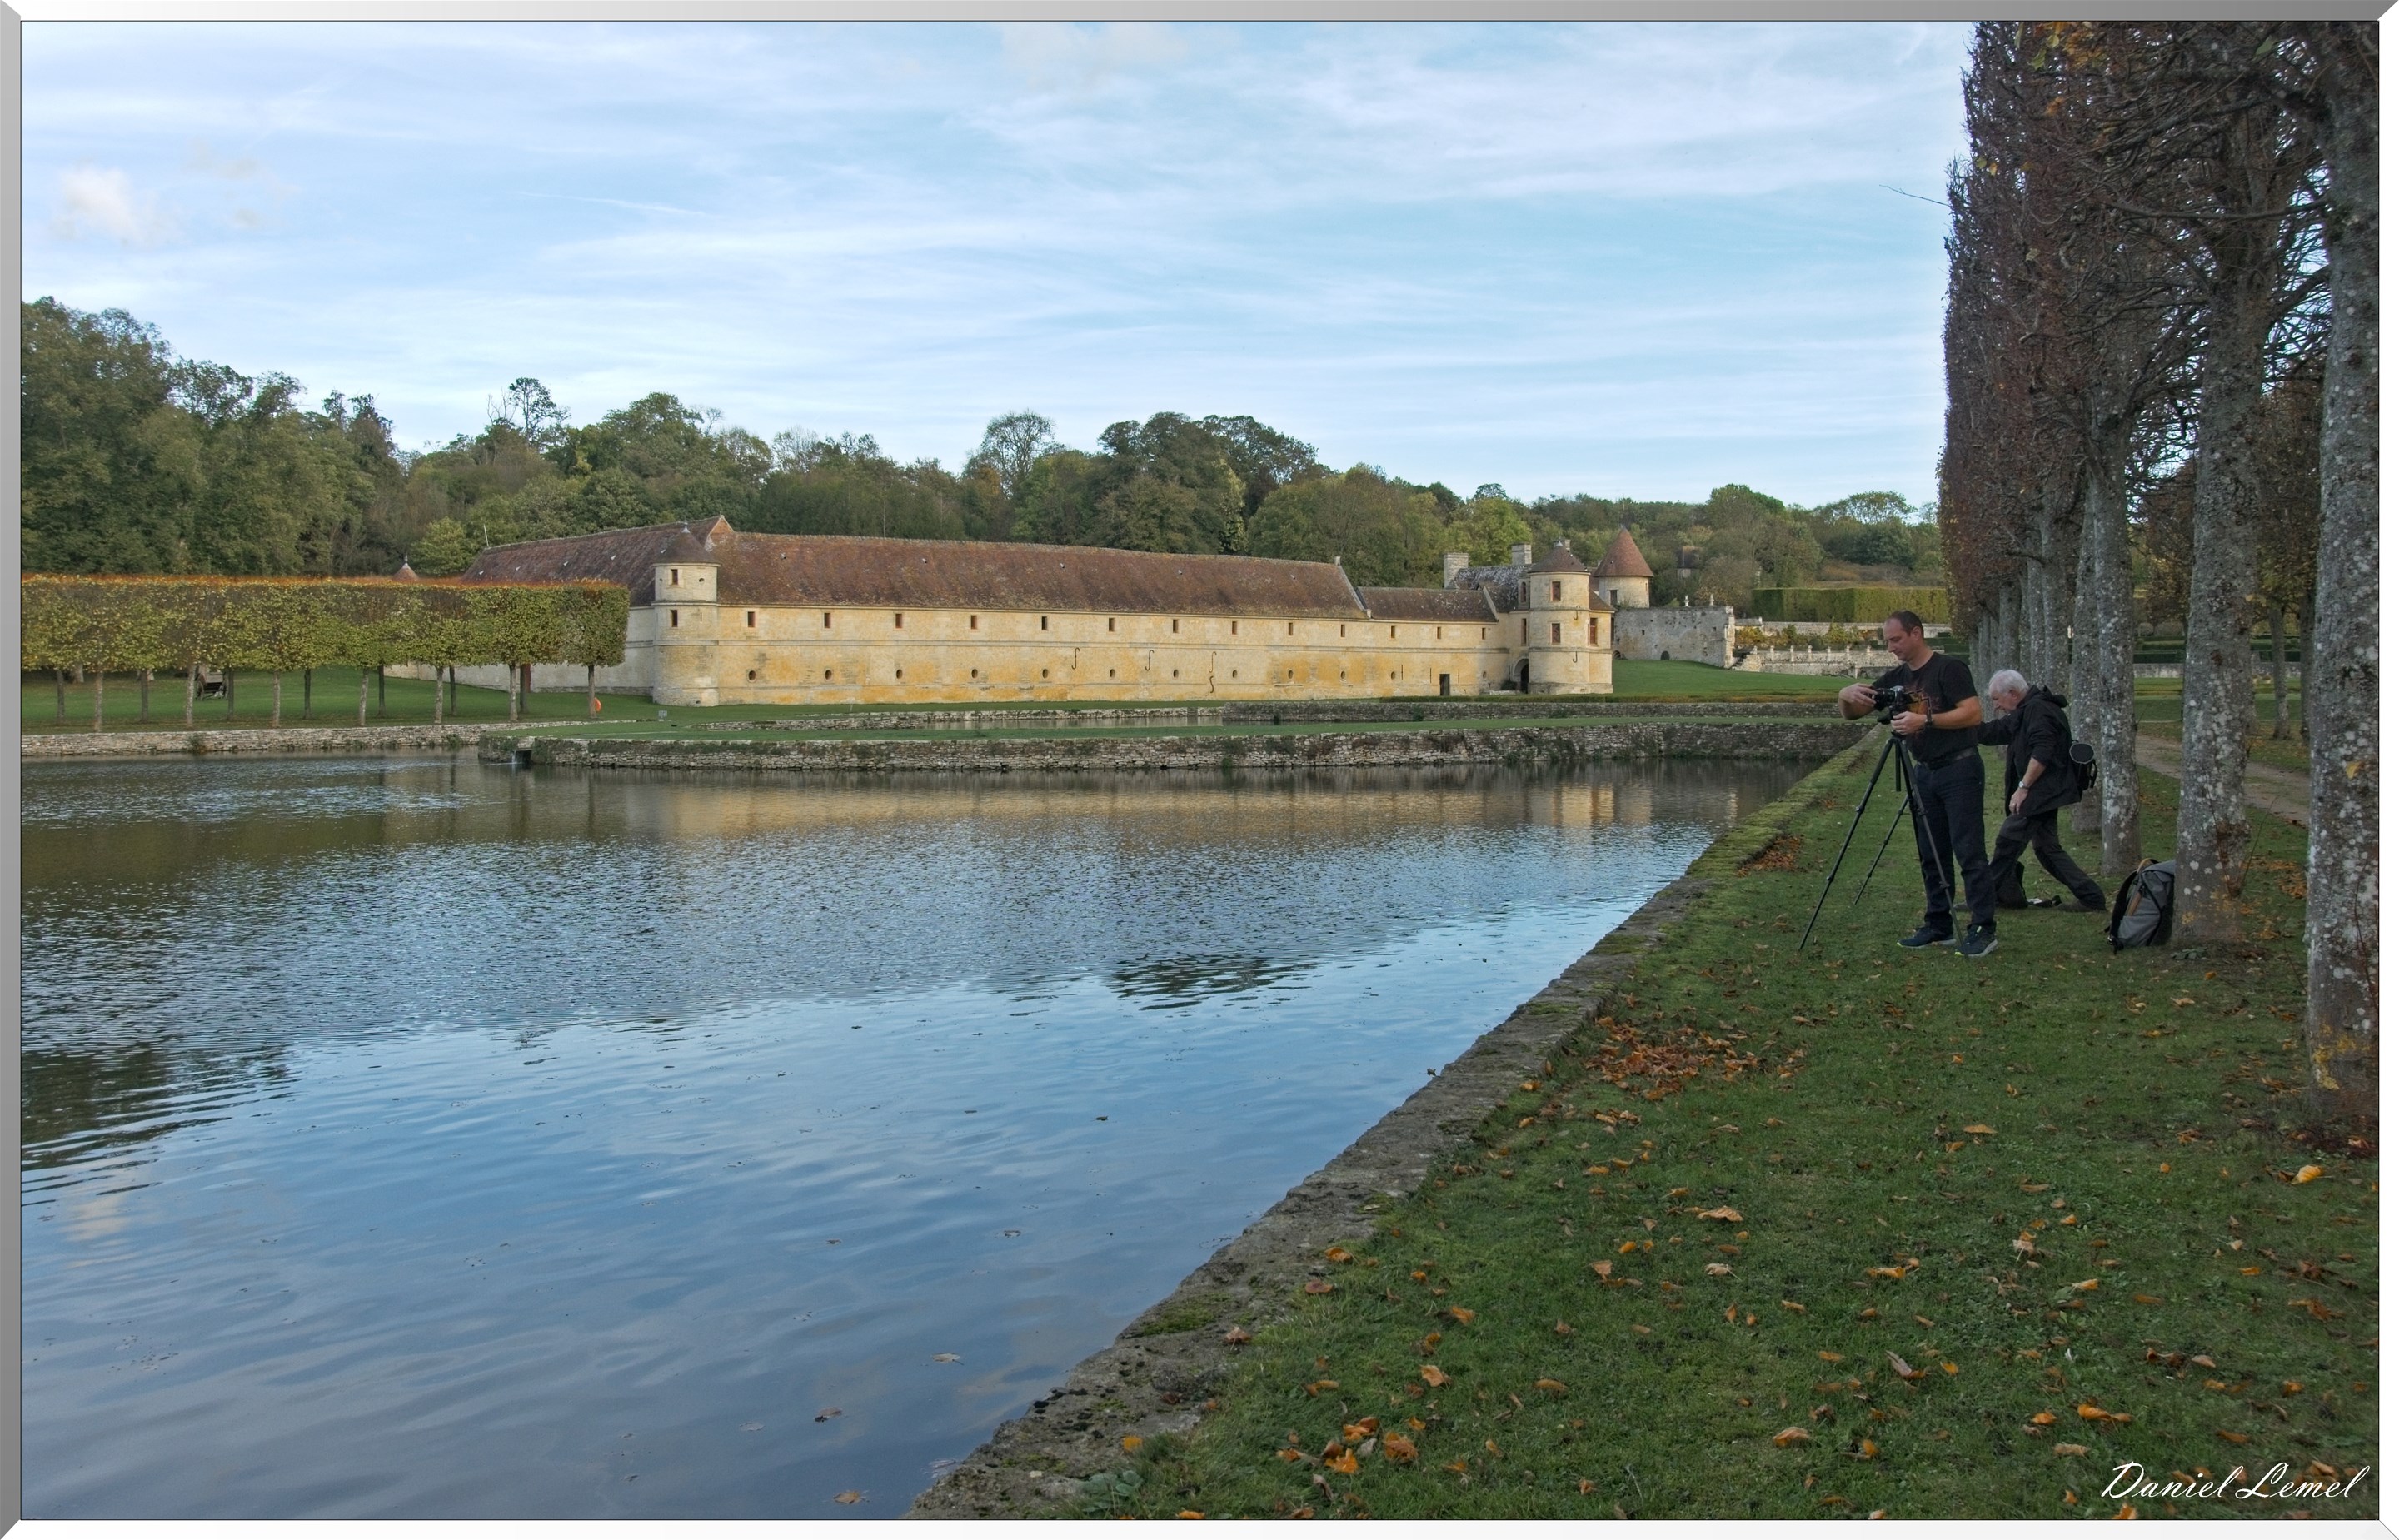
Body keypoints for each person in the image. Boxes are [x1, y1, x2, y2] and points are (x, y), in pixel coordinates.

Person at [1837, 611, 1996, 956]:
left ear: (1916, 633)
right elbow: (1851, 713)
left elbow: (1972, 713)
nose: (1890, 647)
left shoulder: (1949, 669)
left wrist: (1925, 721)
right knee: (1930, 852)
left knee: (1968, 850)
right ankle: (1939, 924)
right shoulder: (1896, 678)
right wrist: (1845, 693)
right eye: (1887, 641)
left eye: (1896, 639)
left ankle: (1983, 927)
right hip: (1923, 771)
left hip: (1959, 769)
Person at [1977, 670, 2107, 913]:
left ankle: (1986, 898)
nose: (1995, 706)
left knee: (2008, 840)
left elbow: (2043, 752)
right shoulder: (2025, 711)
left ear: (2013, 693)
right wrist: (1955, 726)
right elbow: (1995, 732)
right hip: (2045, 791)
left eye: (1996, 699)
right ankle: (2092, 898)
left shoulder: (2039, 710)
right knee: (2047, 849)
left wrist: (2023, 788)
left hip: (2041, 791)